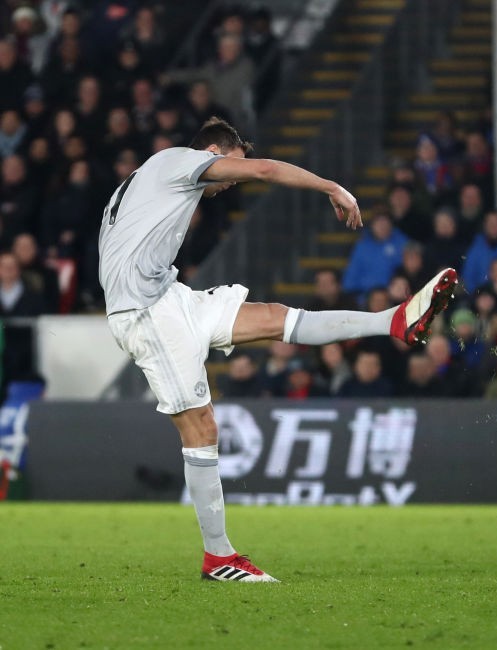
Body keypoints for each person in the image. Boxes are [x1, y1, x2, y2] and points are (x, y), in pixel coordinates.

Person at [97, 117, 459, 582]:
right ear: (213, 152)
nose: (234, 180)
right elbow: (266, 172)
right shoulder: (182, 164)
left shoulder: (150, 175)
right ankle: (219, 557)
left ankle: (392, 321)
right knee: (200, 424)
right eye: (234, 166)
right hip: (145, 312)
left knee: (271, 317)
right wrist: (333, 187)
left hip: (168, 297)